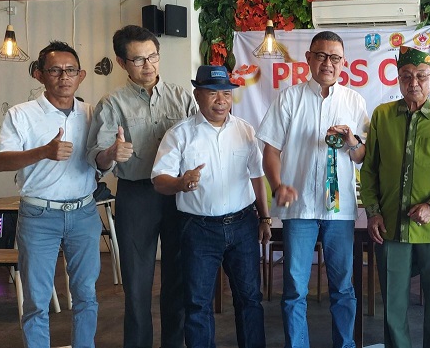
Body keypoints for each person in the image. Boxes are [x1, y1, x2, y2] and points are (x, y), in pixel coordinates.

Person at [257, 31, 368, 348]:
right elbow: (271, 152)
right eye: (321, 55)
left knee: (343, 287)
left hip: (340, 210)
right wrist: (278, 185)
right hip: (299, 208)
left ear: (343, 62)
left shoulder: (354, 100)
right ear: (308, 58)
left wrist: (351, 142)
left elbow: (361, 156)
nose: (328, 63)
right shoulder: (289, 98)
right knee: (294, 288)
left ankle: (344, 344)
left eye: (335, 58)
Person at [87, 25, 196, 348]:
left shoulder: (181, 97)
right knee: (137, 283)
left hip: (176, 194)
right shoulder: (112, 103)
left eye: (153, 57)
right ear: (122, 63)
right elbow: (97, 158)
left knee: (177, 278)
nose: (148, 66)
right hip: (136, 195)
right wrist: (111, 154)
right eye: (138, 60)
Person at [151, 65, 271, 348]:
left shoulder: (245, 130)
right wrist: (180, 183)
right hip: (199, 229)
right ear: (197, 95)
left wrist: (264, 217)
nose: (221, 100)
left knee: (250, 299)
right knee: (197, 303)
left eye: (226, 93)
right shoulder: (179, 134)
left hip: (242, 225)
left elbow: (256, 176)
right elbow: (159, 180)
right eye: (212, 93)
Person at [0, 41, 101, 348]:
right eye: (55, 70)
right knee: (37, 300)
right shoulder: (22, 115)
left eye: (70, 70)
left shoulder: (91, 113)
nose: (63, 77)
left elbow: (100, 158)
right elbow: (0, 161)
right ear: (40, 75)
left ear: (80, 76)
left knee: (86, 294)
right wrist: (43, 152)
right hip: (39, 215)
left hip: (84, 213)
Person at [360, 46, 430, 348]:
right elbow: (370, 170)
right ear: (398, 79)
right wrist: (373, 212)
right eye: (406, 76)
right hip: (390, 225)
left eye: (421, 76)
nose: (414, 83)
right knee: (392, 304)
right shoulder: (382, 115)